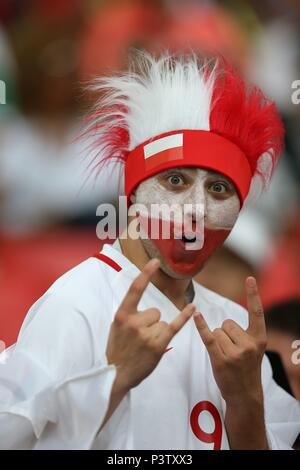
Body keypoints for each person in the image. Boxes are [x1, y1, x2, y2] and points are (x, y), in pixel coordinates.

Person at [0, 51, 299, 450]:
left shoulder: (234, 328)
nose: (196, 208)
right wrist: (116, 377)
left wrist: (246, 400)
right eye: (176, 180)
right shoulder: (76, 304)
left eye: (219, 189)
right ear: (134, 193)